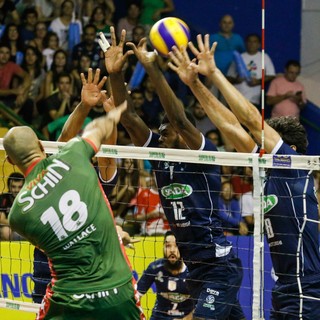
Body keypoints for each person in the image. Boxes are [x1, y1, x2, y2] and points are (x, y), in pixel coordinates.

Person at [170, 33, 320, 319]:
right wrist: (195, 84)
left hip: (305, 290)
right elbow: (230, 126)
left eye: (267, 143)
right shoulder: (269, 172)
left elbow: (252, 120)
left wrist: (215, 73)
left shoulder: (295, 166)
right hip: (285, 290)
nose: (258, 146)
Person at [100, 27, 245, 320]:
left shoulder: (203, 155)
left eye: (168, 130)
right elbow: (127, 117)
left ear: (183, 135)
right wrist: (115, 73)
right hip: (195, 267)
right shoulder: (160, 156)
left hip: (219, 265)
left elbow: (178, 118)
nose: (161, 132)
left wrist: (152, 67)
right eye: (160, 129)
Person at [4, 68, 145, 320]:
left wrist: (84, 106)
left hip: (67, 291)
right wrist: (114, 112)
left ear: (10, 161)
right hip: (110, 284)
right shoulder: (75, 157)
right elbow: (89, 137)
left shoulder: (18, 214)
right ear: (40, 144)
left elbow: (76, 150)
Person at [137, 231, 194, 319]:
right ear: (163, 248)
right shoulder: (155, 268)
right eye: (168, 246)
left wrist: (186, 319)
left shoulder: (193, 271)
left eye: (176, 245)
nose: (172, 250)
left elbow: (202, 305)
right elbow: (137, 295)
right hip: (159, 317)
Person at [227, 33, 276, 108]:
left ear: (259, 44)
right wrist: (237, 80)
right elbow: (229, 77)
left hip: (253, 99)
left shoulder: (264, 57)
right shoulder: (239, 57)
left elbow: (271, 75)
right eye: (249, 41)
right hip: (236, 98)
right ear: (245, 43)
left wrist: (258, 81)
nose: (251, 44)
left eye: (254, 42)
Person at [0, 172, 24, 240]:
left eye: (19, 187)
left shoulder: (28, 199)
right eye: (13, 187)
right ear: (8, 186)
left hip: (24, 229)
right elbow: (1, 220)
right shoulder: (3, 198)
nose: (16, 190)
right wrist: (18, 225)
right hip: (8, 228)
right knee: (6, 231)